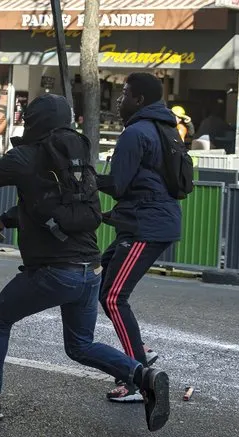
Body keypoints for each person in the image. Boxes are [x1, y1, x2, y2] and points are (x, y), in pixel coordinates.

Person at [0, 93, 170, 432]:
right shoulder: (76, 158)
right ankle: (144, 374)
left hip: (56, 272)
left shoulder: (25, 156)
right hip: (89, 271)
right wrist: (1, 222)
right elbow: (45, 204)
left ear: (35, 120)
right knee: (80, 346)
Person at [96, 73, 182, 403]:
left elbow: (118, 184)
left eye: (125, 94)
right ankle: (139, 348)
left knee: (115, 297)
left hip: (147, 225)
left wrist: (84, 179)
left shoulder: (135, 132)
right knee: (106, 286)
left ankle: (139, 379)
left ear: (140, 100)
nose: (119, 100)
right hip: (146, 220)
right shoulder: (165, 127)